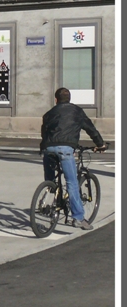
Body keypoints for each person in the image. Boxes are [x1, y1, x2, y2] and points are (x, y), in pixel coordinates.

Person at [40, 87, 107, 230]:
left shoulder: (49, 113)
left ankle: (48, 198)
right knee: (71, 182)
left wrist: (43, 147)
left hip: (48, 148)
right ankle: (77, 218)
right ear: (69, 99)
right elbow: (91, 129)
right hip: (66, 148)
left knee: (50, 180)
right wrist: (100, 144)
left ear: (56, 100)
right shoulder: (77, 112)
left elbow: (44, 131)